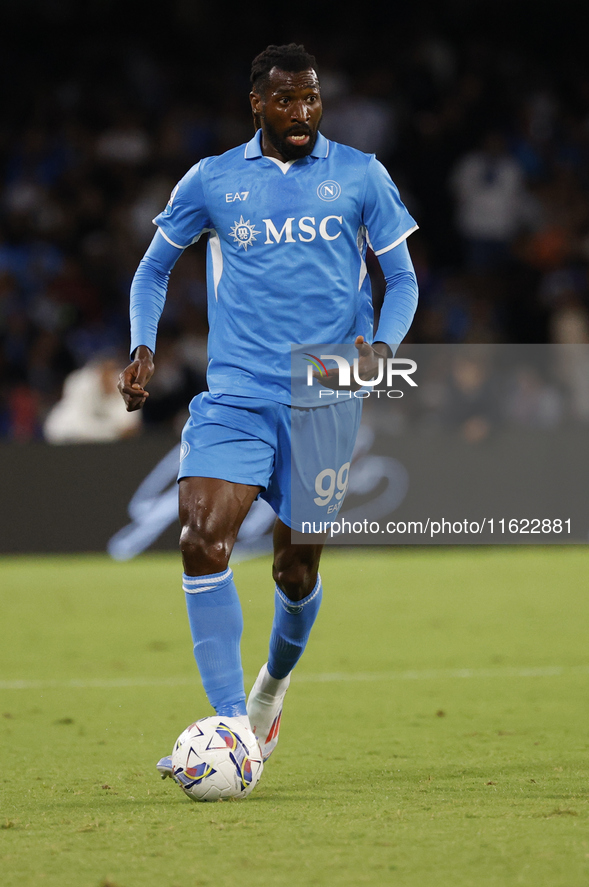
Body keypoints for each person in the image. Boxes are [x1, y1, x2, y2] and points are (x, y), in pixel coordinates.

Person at [118, 44, 419, 775]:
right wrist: (141, 346)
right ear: (258, 102)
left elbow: (401, 279)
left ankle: (268, 692)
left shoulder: (360, 175)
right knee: (200, 536)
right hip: (237, 394)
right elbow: (154, 267)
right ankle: (231, 728)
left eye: (311, 99)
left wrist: (381, 344)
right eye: (286, 100)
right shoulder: (214, 180)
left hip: (323, 393)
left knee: (294, 572)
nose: (301, 113)